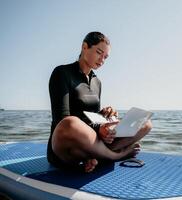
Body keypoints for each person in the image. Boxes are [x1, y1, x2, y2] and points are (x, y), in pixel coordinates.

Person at [47, 31, 152, 172]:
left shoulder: (97, 82)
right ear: (85, 47)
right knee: (70, 122)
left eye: (106, 57)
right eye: (99, 52)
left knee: (145, 123)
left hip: (92, 141)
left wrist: (104, 116)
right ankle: (117, 155)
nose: (102, 60)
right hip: (65, 144)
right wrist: (97, 129)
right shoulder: (62, 73)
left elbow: (91, 114)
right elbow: (61, 119)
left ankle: (94, 157)